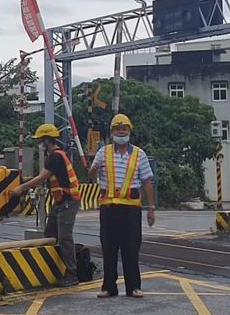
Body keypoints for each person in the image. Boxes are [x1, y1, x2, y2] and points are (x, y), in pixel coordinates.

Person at [88, 114, 155, 298]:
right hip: (109, 208)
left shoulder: (139, 154)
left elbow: (147, 182)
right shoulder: (103, 153)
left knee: (131, 248)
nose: (121, 131)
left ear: (129, 131)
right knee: (108, 248)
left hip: (131, 209)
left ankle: (134, 286)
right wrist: (94, 168)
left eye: (124, 128)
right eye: (118, 128)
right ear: (112, 132)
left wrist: (151, 208)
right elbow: (92, 175)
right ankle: (109, 287)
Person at [11, 123, 82, 287]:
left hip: (68, 201)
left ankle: (72, 273)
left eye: (41, 141)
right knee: (50, 233)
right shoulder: (55, 156)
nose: (40, 145)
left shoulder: (56, 156)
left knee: (64, 237)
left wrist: (21, 188)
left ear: (47, 140)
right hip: (61, 202)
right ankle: (53, 269)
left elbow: (41, 178)